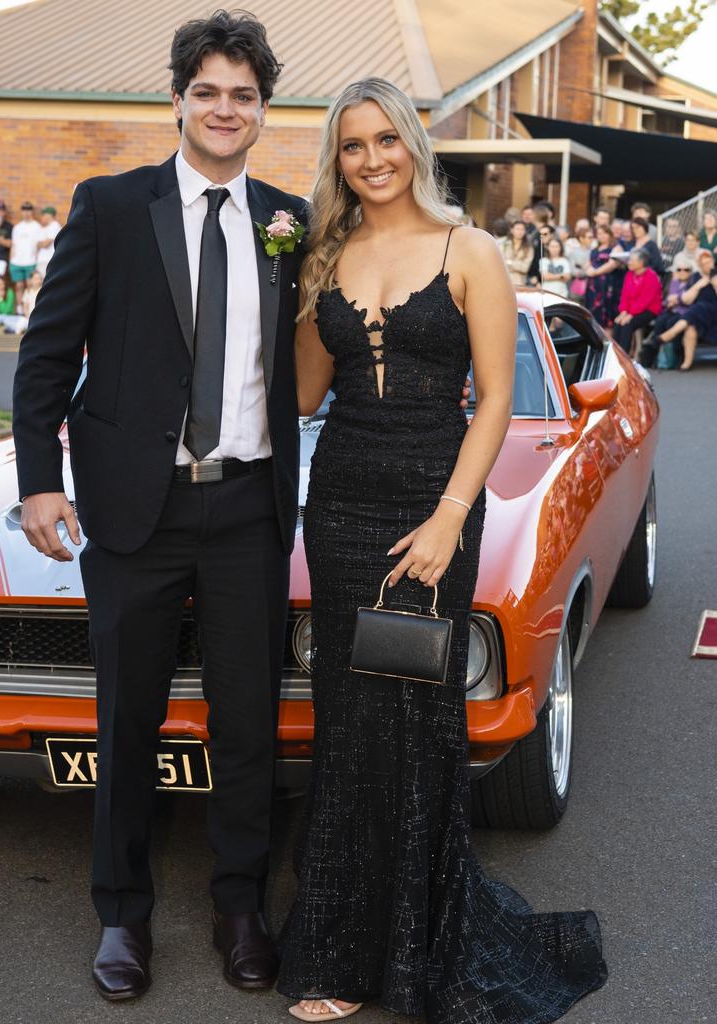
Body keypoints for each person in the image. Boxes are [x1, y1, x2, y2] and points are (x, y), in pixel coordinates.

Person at [279, 76, 606, 1024]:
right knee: (347, 720)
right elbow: (305, 396)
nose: (372, 160)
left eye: (386, 140)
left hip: (434, 506)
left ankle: (420, 945)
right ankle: (341, 948)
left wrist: (450, 517)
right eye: (352, 146)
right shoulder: (326, 252)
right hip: (338, 504)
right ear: (336, 160)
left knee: (417, 721)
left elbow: (498, 399)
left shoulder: (472, 250)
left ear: (414, 146)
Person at [12, 10, 309, 1004]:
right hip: (133, 511)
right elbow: (47, 355)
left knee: (248, 726)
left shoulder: (288, 222)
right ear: (178, 99)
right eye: (209, 91)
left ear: (264, 111)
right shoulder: (108, 205)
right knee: (126, 718)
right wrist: (38, 479)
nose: (226, 109)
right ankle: (121, 912)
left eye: (244, 95)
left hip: (250, 516)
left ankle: (240, 906)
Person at [658, 248, 717, 370]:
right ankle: (687, 362)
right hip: (699, 314)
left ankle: (672, 332)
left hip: (713, 310)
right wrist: (699, 285)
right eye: (704, 263)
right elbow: (686, 300)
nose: (707, 265)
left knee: (698, 308)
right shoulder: (695, 277)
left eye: (709, 262)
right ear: (700, 264)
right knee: (691, 326)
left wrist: (712, 278)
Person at [638, 252, 695, 368]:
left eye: (686, 270)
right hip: (671, 310)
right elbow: (669, 300)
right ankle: (655, 355)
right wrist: (675, 300)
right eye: (679, 270)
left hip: (686, 313)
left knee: (671, 323)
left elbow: (688, 301)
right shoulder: (674, 282)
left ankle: (677, 356)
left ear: (690, 272)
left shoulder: (692, 283)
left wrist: (676, 300)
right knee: (660, 322)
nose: (682, 272)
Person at [612, 249, 662, 354]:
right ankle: (615, 354)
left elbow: (645, 301)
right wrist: (623, 312)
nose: (628, 262)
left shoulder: (651, 277)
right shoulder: (629, 274)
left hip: (648, 310)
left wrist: (630, 315)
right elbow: (624, 295)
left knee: (627, 324)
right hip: (631, 310)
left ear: (641, 263)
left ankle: (624, 356)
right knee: (618, 322)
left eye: (632, 260)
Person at [584, 223, 624, 327]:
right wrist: (587, 270)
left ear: (610, 234)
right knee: (592, 315)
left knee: (606, 317)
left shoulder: (616, 248)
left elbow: (612, 264)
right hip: (593, 286)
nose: (601, 236)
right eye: (599, 234)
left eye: (604, 233)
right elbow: (588, 263)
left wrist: (595, 272)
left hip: (607, 285)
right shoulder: (595, 249)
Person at [9, 202, 41, 305]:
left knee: (30, 286)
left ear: (31, 211)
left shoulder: (37, 226)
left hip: (30, 261)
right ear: (21, 212)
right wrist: (11, 261)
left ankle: (30, 308)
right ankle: (19, 309)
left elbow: (39, 245)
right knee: (19, 286)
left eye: (28, 210)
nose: (26, 212)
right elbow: (13, 245)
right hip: (16, 261)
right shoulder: (17, 227)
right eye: (24, 210)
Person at [498, 219, 533, 285]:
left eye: (522, 229)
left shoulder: (529, 248)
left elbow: (525, 268)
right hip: (504, 281)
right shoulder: (504, 244)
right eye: (517, 229)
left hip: (520, 283)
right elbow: (500, 263)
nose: (520, 232)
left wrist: (509, 262)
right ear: (512, 230)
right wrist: (517, 265)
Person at [567, 225, 594, 301]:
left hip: (592, 287)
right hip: (577, 287)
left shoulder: (594, 251)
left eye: (592, 237)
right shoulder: (573, 252)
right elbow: (572, 271)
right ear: (581, 238)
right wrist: (586, 271)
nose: (591, 239)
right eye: (589, 237)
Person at [35, 205, 62, 277]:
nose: (42, 217)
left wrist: (41, 244)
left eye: (43, 215)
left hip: (48, 260)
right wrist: (40, 244)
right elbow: (37, 244)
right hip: (42, 260)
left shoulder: (55, 225)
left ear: (49, 215)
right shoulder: (44, 228)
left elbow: (45, 244)